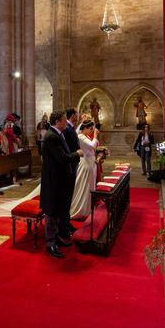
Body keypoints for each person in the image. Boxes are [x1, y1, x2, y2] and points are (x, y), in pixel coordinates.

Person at [40, 110, 83, 259]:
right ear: (57, 121)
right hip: (53, 181)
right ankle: (50, 243)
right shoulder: (52, 137)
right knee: (52, 212)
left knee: (57, 209)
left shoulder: (58, 134)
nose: (67, 122)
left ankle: (56, 237)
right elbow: (62, 158)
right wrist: (77, 154)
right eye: (64, 120)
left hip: (59, 180)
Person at [69, 119, 99, 219]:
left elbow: (92, 148)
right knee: (85, 187)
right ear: (84, 128)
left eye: (92, 129)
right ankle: (81, 210)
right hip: (86, 164)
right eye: (90, 128)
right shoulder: (80, 136)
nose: (92, 130)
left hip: (90, 163)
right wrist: (95, 135)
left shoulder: (85, 136)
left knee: (90, 186)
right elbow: (92, 145)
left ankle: (88, 209)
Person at [61, 107, 80, 236]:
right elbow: (68, 148)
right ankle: (64, 225)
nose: (78, 115)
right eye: (76, 113)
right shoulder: (67, 128)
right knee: (66, 198)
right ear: (72, 115)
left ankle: (66, 223)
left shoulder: (70, 127)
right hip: (69, 165)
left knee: (69, 197)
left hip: (73, 163)